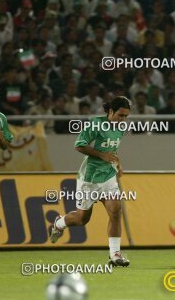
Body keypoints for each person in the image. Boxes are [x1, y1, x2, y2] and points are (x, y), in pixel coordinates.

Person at [48, 96, 131, 267]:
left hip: (108, 176)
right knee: (82, 219)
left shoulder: (120, 127)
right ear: (110, 111)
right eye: (120, 115)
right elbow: (79, 145)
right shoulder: (95, 124)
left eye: (126, 117)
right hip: (89, 179)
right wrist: (102, 155)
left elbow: (112, 149)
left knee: (116, 211)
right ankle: (58, 223)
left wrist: (118, 163)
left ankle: (115, 254)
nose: (123, 120)